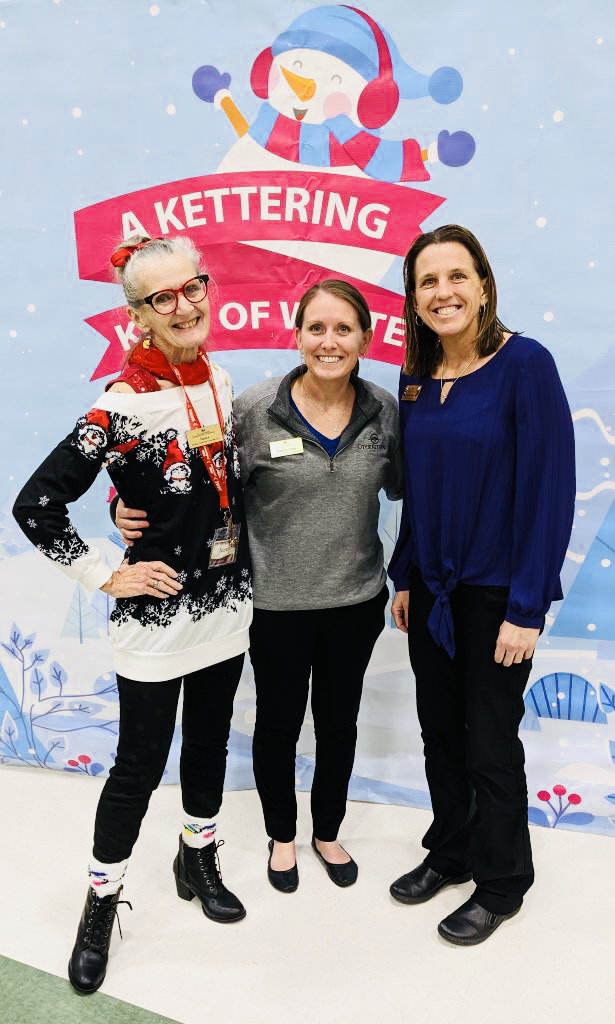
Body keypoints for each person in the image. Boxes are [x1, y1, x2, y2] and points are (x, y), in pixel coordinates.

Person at [13, 235, 252, 994]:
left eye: (193, 288)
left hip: (227, 608)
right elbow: (37, 505)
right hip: (154, 630)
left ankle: (197, 855)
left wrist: (127, 503)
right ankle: (100, 901)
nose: (185, 306)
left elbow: (209, 486)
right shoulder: (115, 407)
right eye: (162, 298)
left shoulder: (219, 377)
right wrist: (107, 571)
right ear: (137, 315)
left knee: (209, 747)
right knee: (138, 769)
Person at [117, 279, 403, 892]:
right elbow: (194, 485)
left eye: (344, 329)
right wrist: (123, 504)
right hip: (273, 606)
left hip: (355, 604)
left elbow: (411, 494)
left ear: (365, 340)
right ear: (297, 335)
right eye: (317, 328)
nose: (330, 342)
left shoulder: (385, 410)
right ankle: (282, 836)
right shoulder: (250, 409)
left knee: (340, 722)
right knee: (277, 724)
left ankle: (326, 830)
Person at [387, 224, 575, 945]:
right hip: (429, 591)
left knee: (490, 741)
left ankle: (501, 881)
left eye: (455, 277)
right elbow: (418, 496)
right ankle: (453, 849)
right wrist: (405, 575)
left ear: (483, 284)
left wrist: (526, 607)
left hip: (498, 594)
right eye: (427, 281)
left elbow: (549, 489)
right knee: (440, 733)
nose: (443, 292)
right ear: (414, 297)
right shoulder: (416, 378)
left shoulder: (524, 364)